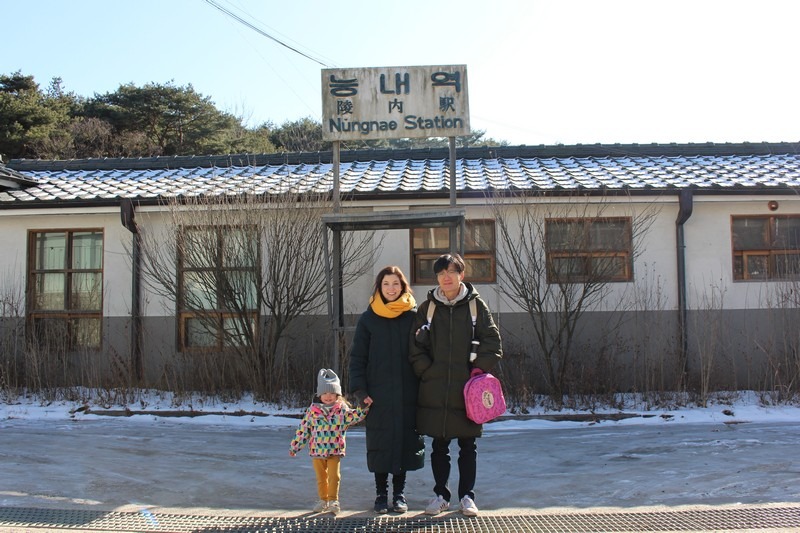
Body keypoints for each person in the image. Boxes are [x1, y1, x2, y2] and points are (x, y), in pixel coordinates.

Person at [409, 253, 503, 517]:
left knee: (467, 446)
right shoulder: (427, 308)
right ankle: (441, 495)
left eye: (451, 272)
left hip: (467, 391)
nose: (446, 277)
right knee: (439, 446)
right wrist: (425, 370)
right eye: (441, 273)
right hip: (435, 390)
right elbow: (414, 348)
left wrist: (478, 370)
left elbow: (493, 343)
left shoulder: (476, 307)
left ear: (462, 275)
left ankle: (467, 497)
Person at [349, 266, 425, 514]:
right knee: (380, 442)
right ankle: (381, 494)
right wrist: (359, 391)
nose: (391, 288)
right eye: (386, 284)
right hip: (377, 394)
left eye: (395, 284)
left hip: (407, 392)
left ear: (403, 286)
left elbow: (424, 353)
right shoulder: (368, 318)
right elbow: (358, 358)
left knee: (403, 441)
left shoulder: (413, 316)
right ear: (379, 288)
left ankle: (399, 494)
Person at [289, 368, 368, 515]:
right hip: (317, 451)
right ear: (319, 394)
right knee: (321, 478)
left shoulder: (341, 410)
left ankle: (333, 500)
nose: (328, 396)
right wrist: (295, 446)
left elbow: (355, 416)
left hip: (334, 449)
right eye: (325, 393)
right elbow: (303, 429)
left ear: (337, 394)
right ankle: (323, 500)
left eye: (332, 393)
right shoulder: (312, 411)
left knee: (334, 476)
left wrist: (364, 408)